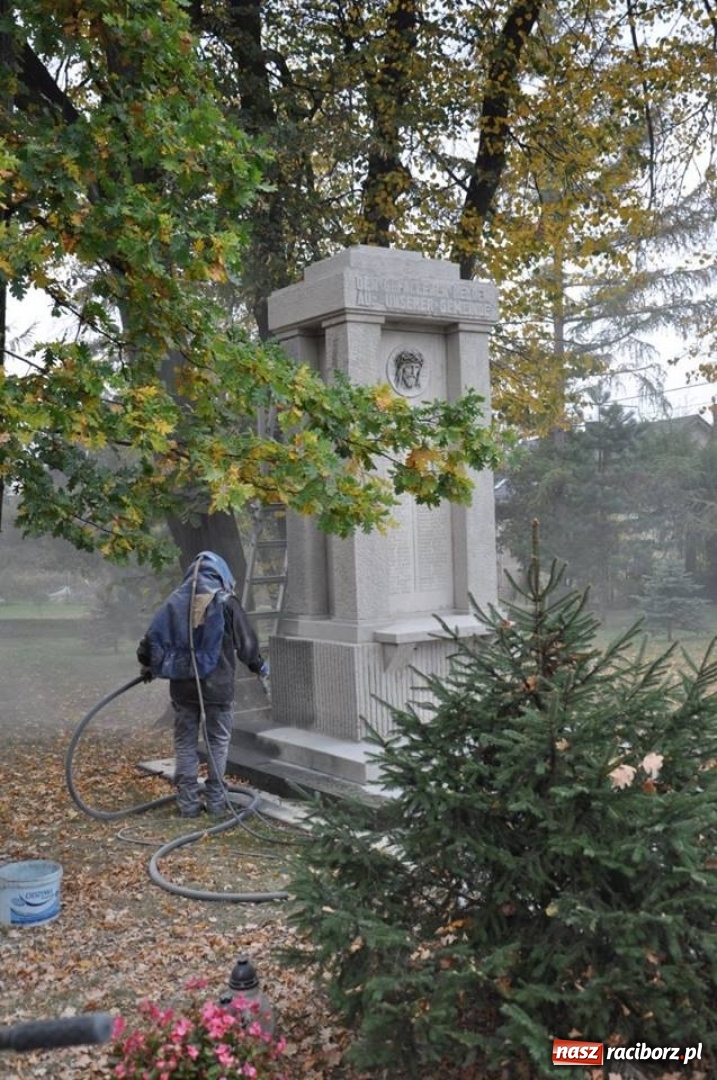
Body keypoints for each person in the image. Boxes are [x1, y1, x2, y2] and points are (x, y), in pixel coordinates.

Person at [137, 551, 266, 818]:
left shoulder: (175, 601)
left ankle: (188, 805)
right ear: (221, 574)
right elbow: (248, 645)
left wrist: (149, 666)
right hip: (218, 687)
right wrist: (259, 667)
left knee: (185, 742)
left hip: (183, 687)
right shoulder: (226, 601)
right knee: (217, 741)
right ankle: (217, 803)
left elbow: (150, 641)